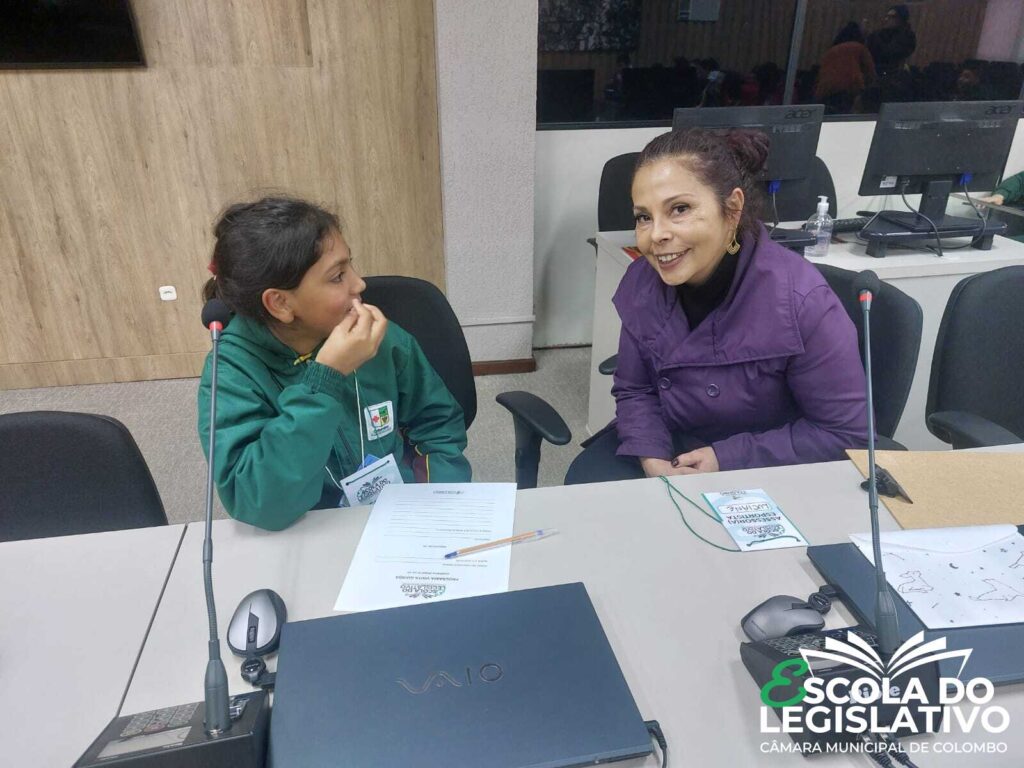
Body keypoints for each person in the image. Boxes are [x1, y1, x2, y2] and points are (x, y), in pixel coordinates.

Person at [566, 129, 868, 484]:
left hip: (767, 463)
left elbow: (845, 434)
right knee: (583, 490)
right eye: (644, 217)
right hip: (671, 441)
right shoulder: (642, 282)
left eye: (680, 209)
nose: (656, 234)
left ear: (733, 209)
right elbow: (636, 389)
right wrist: (651, 453)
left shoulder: (803, 301)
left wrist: (726, 458)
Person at [197, 197, 471, 530]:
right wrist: (326, 378)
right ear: (280, 303)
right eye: (338, 275)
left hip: (400, 516)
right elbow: (257, 502)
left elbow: (438, 424)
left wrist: (437, 499)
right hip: (309, 529)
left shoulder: (378, 338)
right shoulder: (231, 373)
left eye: (350, 266)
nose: (360, 284)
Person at [815, 22, 875, 115]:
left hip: (825, 91)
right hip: (849, 87)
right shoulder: (860, 48)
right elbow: (870, 71)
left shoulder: (831, 51)